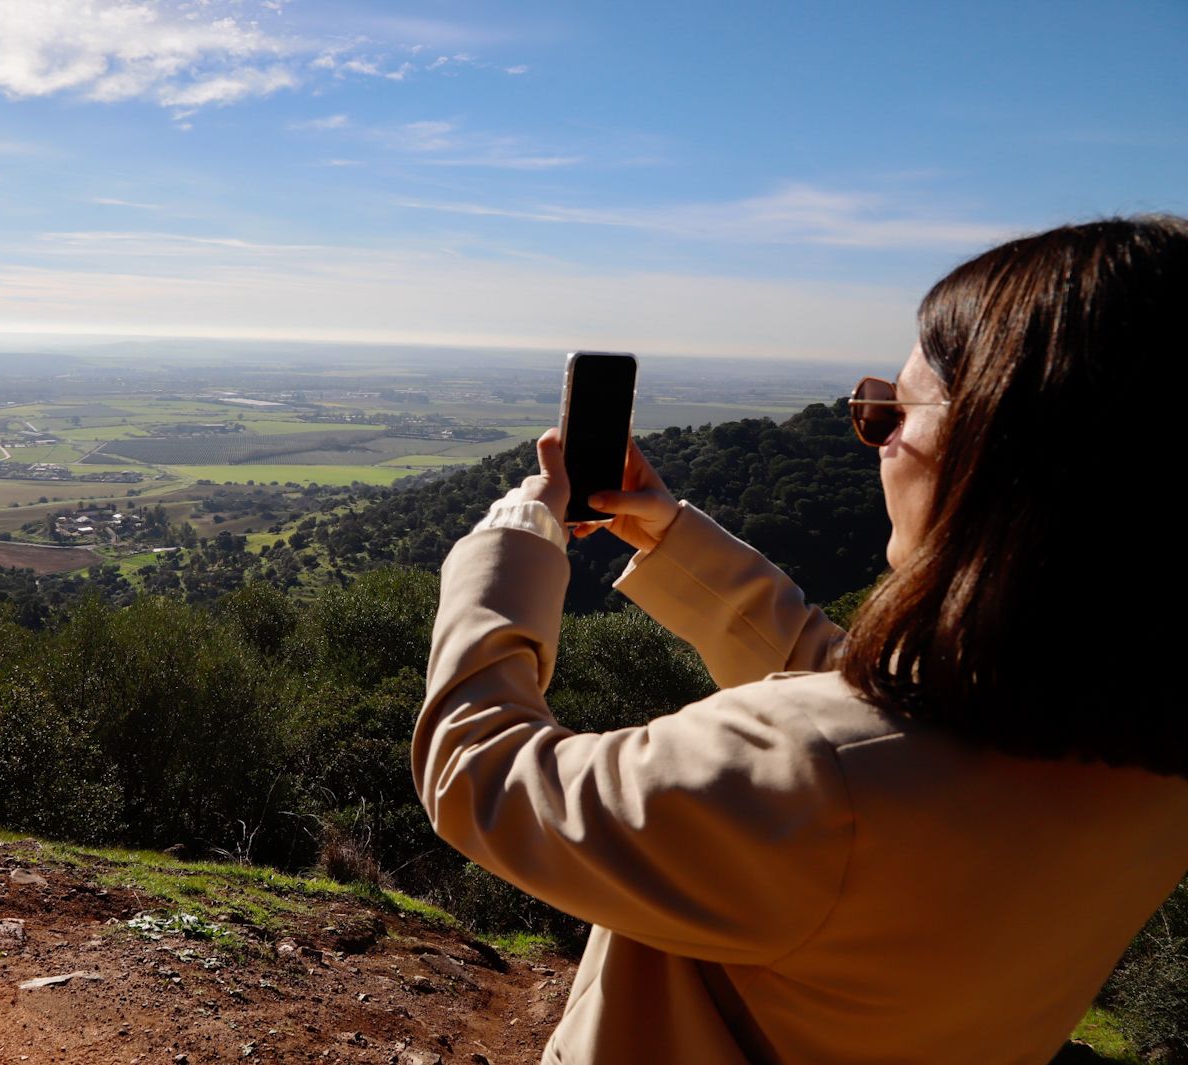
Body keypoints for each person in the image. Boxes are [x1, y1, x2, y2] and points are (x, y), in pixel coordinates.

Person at [413, 216, 1188, 1064]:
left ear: (1003, 452)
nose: (877, 444)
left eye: (889, 414)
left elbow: (481, 771)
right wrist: (674, 539)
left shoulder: (818, 778)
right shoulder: (1142, 759)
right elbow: (879, 705)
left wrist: (512, 542)